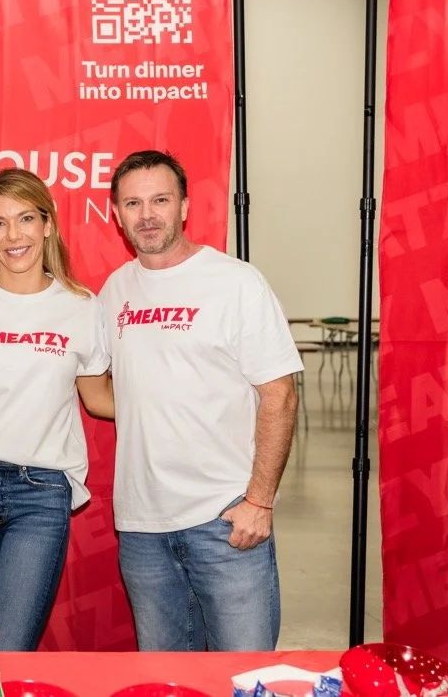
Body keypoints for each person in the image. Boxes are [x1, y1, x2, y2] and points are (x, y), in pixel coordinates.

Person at [97, 150, 301, 652]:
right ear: (118, 215)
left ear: (185, 206)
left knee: (241, 678)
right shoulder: (114, 291)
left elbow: (279, 394)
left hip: (226, 521)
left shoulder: (236, 283)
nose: (147, 215)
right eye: (133, 203)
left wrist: (259, 501)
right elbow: (101, 387)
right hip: (142, 530)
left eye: (160, 200)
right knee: (166, 682)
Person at [0, 168, 114, 651]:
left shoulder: (81, 307)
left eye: (25, 219)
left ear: (48, 224)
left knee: (10, 648)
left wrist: (173, 406)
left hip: (41, 492)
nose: (13, 235)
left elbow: (98, 396)